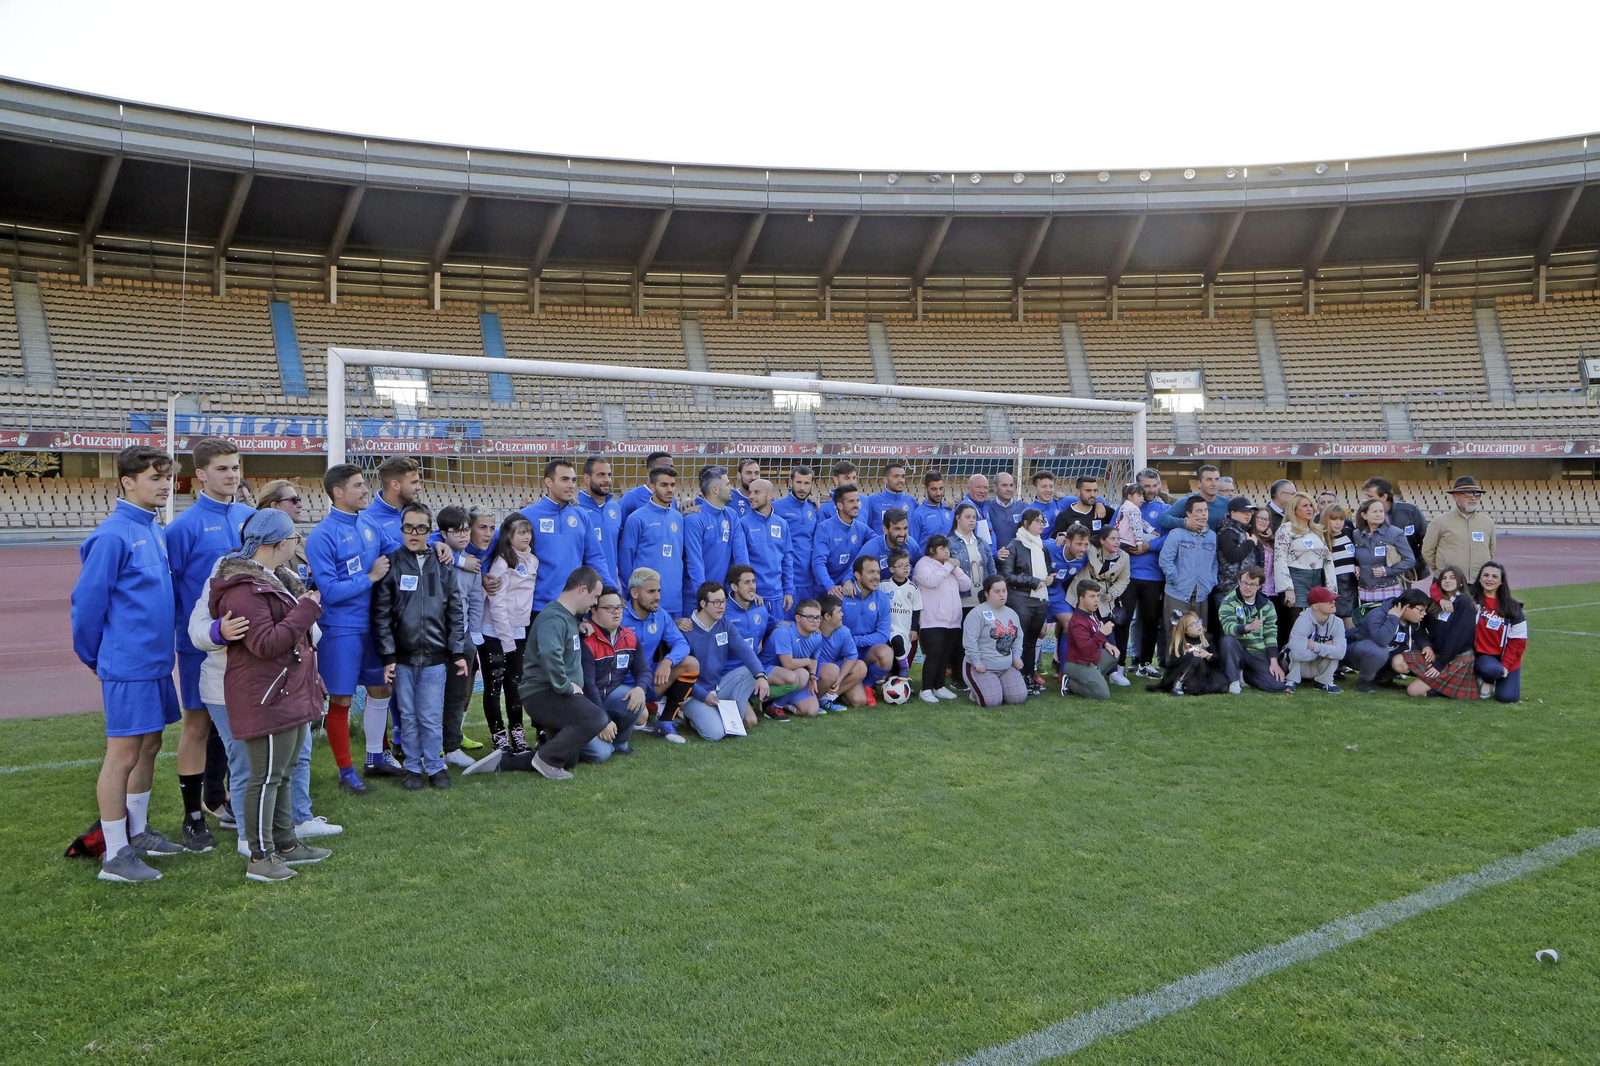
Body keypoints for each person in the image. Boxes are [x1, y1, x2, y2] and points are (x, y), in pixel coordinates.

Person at [72, 446, 187, 882]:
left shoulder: (153, 528)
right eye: (155, 477)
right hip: (128, 663)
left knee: (150, 746)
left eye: (167, 477)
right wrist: (95, 656)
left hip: (156, 661)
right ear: (128, 481)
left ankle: (137, 833)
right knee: (122, 756)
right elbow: (86, 605)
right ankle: (114, 854)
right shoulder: (113, 535)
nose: (165, 485)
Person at [207, 508, 331, 882]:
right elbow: (264, 644)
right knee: (265, 777)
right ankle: (260, 857)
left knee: (283, 771)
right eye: (294, 538)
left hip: (285, 690)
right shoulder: (244, 589)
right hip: (267, 694)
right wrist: (306, 611)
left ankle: (286, 843)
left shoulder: (273, 579)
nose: (298, 544)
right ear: (278, 544)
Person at [164, 437, 255, 850]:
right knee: (198, 725)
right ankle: (193, 816)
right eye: (222, 468)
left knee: (245, 723)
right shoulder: (182, 528)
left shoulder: (251, 517)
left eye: (235, 467)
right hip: (200, 647)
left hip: (248, 643)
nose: (232, 475)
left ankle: (237, 803)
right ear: (200, 474)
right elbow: (172, 592)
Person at [302, 463, 388, 794]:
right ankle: (346, 771)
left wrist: (435, 544)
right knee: (341, 699)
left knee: (381, 689)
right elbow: (331, 591)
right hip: (340, 629)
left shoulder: (369, 523)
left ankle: (376, 757)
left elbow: (396, 551)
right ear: (338, 492)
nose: (366, 490)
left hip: (374, 626)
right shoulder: (322, 536)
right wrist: (370, 577)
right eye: (358, 485)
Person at [372, 502, 469, 790]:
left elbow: (455, 611)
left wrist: (457, 650)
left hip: (436, 657)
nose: (414, 533)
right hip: (403, 657)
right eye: (408, 527)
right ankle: (413, 767)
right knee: (408, 716)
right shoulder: (392, 563)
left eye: (420, 528)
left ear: (430, 531)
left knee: (430, 716)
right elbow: (381, 614)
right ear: (401, 529)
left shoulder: (442, 564)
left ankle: (435, 766)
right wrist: (388, 654)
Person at [520, 567, 612, 778]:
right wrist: (566, 686)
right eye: (595, 596)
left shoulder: (568, 618)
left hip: (554, 693)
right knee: (597, 718)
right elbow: (550, 654)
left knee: (569, 759)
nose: (595, 603)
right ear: (582, 589)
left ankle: (508, 761)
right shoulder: (553, 618)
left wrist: (578, 625)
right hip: (543, 694)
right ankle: (546, 760)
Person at [432, 505, 489, 767]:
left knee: (457, 695)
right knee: (432, 695)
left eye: (466, 530)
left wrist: (473, 636)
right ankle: (430, 747)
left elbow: (476, 600)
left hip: (463, 638)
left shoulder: (472, 564)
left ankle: (452, 747)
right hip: (435, 638)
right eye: (457, 531)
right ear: (443, 534)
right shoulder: (434, 557)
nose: (464, 535)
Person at [522, 458, 615, 615]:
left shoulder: (581, 515)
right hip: (539, 608)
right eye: (564, 479)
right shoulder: (528, 515)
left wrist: (611, 589)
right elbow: (499, 542)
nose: (571, 485)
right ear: (548, 482)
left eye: (573, 480)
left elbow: (595, 557)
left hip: (575, 608)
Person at [681, 581, 771, 738]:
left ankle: (732, 719)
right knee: (715, 734)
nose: (722, 606)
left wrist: (761, 676)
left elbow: (745, 651)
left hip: (718, 686)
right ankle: (692, 718)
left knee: (750, 671)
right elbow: (680, 676)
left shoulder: (724, 624)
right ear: (703, 604)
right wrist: (703, 695)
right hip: (693, 694)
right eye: (716, 602)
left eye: (723, 601)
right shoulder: (686, 629)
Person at [620, 567, 697, 743]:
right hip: (620, 685)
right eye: (651, 592)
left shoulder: (660, 615)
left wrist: (668, 661)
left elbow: (681, 644)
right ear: (634, 593)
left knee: (690, 663)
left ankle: (666, 721)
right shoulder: (619, 615)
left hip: (649, 681)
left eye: (658, 591)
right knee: (641, 716)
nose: (658, 597)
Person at [482, 512, 538, 753]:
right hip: (495, 633)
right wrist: (506, 639)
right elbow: (496, 605)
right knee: (494, 686)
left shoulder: (533, 560)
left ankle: (518, 731)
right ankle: (498, 735)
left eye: (528, 532)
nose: (526, 537)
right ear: (508, 536)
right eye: (521, 533)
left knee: (515, 685)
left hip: (518, 632)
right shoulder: (502, 563)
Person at [579, 586, 650, 761]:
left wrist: (640, 688)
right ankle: (576, 741)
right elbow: (588, 686)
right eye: (609, 608)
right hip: (584, 705)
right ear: (593, 610)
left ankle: (620, 743)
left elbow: (643, 670)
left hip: (609, 696)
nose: (616, 612)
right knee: (601, 754)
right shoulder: (586, 639)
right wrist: (602, 720)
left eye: (619, 607)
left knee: (636, 698)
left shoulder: (628, 636)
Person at [1065, 525, 1131, 686]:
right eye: (1112, 538)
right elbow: (1075, 544)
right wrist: (1061, 537)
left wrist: (1114, 592)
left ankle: (1113, 672)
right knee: (1077, 630)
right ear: (1102, 541)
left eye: (1118, 538)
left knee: (1108, 632)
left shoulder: (1124, 557)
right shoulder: (1090, 549)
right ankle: (1067, 667)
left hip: (1105, 599)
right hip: (1082, 594)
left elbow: (1124, 578)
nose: (1117, 542)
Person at [618, 465, 686, 621]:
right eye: (664, 485)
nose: (670, 489)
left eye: (672, 485)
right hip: (644, 602)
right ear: (652, 487)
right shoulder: (637, 518)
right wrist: (631, 595)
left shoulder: (678, 518)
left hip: (674, 601)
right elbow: (626, 560)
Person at [1157, 496, 1218, 666]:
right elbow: (1165, 560)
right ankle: (1173, 669)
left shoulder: (1212, 536)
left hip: (1201, 595)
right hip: (1177, 594)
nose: (1203, 514)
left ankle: (1197, 669)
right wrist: (1175, 580)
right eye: (1198, 511)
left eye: (1205, 511)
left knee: (1199, 634)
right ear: (1188, 514)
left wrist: (1211, 581)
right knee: (1175, 633)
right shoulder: (1177, 534)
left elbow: (1214, 563)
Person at [682, 465, 749, 621]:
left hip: (720, 598)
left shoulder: (731, 515)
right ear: (715, 489)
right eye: (728, 484)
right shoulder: (694, 519)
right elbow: (694, 562)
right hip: (696, 598)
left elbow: (741, 554)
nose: (731, 488)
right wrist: (704, 597)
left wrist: (745, 587)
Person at [1001, 508, 1055, 695]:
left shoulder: (1042, 546)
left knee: (1032, 641)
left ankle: (1029, 676)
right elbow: (1007, 575)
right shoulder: (1014, 545)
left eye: (1043, 521)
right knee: (1020, 641)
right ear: (1025, 523)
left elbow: (1047, 569)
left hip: (1040, 599)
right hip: (1020, 599)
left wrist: (1049, 579)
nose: (1041, 524)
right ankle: (1016, 678)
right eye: (1037, 521)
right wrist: (1032, 581)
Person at [913, 534, 972, 702]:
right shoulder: (923, 564)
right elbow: (931, 581)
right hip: (932, 620)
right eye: (943, 548)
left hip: (953, 621)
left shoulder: (949, 566)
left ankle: (939, 686)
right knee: (934, 655)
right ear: (932, 550)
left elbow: (966, 585)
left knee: (945, 656)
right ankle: (926, 689)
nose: (947, 552)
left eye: (948, 548)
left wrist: (955, 568)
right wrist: (948, 566)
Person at [1123, 469, 1170, 678]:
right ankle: (1121, 663)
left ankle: (1146, 662)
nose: (1150, 490)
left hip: (1154, 575)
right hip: (1127, 574)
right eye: (1146, 486)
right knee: (1125, 619)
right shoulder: (1126, 507)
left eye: (1154, 485)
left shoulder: (1165, 510)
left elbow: (1169, 537)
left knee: (1151, 621)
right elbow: (1115, 532)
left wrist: (1148, 546)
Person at [947, 501, 996, 689]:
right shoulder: (949, 543)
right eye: (967, 517)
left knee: (981, 639)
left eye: (974, 517)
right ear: (958, 518)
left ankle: (979, 674)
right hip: (960, 599)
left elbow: (991, 571)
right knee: (960, 641)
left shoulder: (982, 543)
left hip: (980, 599)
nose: (972, 520)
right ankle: (958, 677)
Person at [1346, 588, 1433, 693]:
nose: (1424, 614)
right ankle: (1365, 681)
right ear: (1407, 607)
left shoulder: (1413, 621)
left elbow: (1421, 634)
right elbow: (1382, 640)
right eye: (1421, 610)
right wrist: (1393, 617)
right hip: (1355, 652)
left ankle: (1383, 679)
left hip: (1381, 653)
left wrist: (1426, 645)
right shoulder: (1378, 614)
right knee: (1379, 651)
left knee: (1405, 650)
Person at [1274, 492, 1335, 641]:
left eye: (1311, 506)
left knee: (1316, 621)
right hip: (1296, 579)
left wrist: (1331, 587)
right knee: (1295, 622)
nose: (1309, 509)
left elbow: (1327, 559)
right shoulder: (1285, 529)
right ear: (1294, 509)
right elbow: (1280, 559)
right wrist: (1288, 588)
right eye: (1305, 506)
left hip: (1317, 579)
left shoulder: (1317, 530)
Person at [1217, 566, 1288, 694]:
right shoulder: (1228, 601)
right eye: (1245, 583)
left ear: (1260, 586)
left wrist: (1274, 662)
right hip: (1236, 648)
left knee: (1277, 686)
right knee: (1227, 641)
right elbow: (1228, 627)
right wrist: (1247, 627)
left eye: (1253, 584)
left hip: (1257, 650)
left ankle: (1247, 676)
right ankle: (1233, 681)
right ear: (1239, 581)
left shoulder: (1268, 605)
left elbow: (1271, 634)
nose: (1248, 587)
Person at [961, 575, 1027, 706]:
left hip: (1006, 666)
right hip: (983, 667)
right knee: (991, 702)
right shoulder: (976, 614)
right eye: (997, 592)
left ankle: (998, 686)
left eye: (1004, 591)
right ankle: (976, 691)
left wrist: (1016, 657)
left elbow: (1018, 638)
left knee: (1018, 698)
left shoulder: (1012, 613)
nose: (1002, 595)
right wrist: (977, 662)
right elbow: (970, 641)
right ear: (986, 593)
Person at [1349, 498, 1413, 625]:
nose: (1379, 514)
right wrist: (1356, 565)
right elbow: (1355, 555)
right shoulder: (1356, 534)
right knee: (1368, 626)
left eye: (1381, 511)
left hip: (1389, 590)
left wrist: (1387, 571)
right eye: (1375, 511)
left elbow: (1409, 560)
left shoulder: (1395, 533)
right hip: (1365, 591)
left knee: (1388, 626)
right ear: (1364, 515)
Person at [841, 555, 895, 703]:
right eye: (871, 572)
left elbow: (882, 636)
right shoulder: (841, 596)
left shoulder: (882, 598)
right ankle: (843, 687)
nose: (876, 577)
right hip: (843, 654)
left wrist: (855, 640)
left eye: (878, 572)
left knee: (886, 653)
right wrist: (847, 643)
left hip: (866, 652)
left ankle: (867, 684)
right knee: (857, 701)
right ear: (857, 575)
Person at [737, 478, 794, 617]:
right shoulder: (743, 524)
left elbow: (787, 560)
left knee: (779, 630)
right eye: (750, 493)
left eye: (757, 492)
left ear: (770, 495)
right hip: (754, 597)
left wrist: (788, 591)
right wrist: (748, 592)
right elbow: (740, 563)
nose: (751, 496)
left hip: (778, 596)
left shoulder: (782, 524)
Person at [1470, 562, 1526, 703]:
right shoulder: (1470, 601)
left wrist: (1506, 664)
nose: (1489, 579)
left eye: (1495, 576)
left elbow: (1519, 640)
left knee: (1508, 698)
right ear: (1480, 578)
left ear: (1501, 581)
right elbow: (1442, 589)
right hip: (1482, 655)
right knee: (1493, 670)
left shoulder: (1513, 607)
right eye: (1486, 575)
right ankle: (1483, 677)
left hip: (1506, 658)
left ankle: (1493, 676)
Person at [1422, 476, 1497, 578]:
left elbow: (1491, 551)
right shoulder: (1439, 522)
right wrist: (1441, 571)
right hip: (1449, 581)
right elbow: (1427, 550)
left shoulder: (1488, 523)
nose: (1473, 498)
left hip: (1478, 581)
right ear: (1455, 496)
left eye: (1477, 494)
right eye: (1468, 493)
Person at [1043, 523, 1091, 678]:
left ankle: (1064, 671)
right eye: (1079, 544)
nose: (1082, 549)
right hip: (1039, 593)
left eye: (1085, 544)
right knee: (1039, 630)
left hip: (1057, 594)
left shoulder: (1084, 558)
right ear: (1067, 542)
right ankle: (1033, 668)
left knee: (1070, 624)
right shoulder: (1049, 547)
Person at [1060, 580, 1120, 699]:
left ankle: (1093, 677)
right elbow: (1085, 649)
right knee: (1103, 695)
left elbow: (1094, 634)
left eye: (1097, 596)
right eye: (1092, 596)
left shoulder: (1091, 614)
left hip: (1090, 660)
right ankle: (1069, 684)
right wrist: (1102, 634)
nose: (1096, 600)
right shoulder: (1078, 622)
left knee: (1114, 654)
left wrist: (1106, 644)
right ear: (1081, 599)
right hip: (1078, 664)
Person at [1361, 476, 1429, 581]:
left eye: (1370, 496)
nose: (1366, 500)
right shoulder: (1364, 516)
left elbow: (1427, 541)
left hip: (1407, 573)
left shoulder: (1410, 512)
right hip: (1378, 575)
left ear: (1384, 497)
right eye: (1366, 496)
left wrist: (1415, 566)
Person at [765, 599, 823, 717]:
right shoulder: (784, 631)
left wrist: (812, 675)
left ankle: (782, 702)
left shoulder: (817, 636)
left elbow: (814, 659)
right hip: (766, 670)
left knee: (811, 711)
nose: (815, 621)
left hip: (793, 675)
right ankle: (774, 706)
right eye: (810, 617)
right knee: (801, 675)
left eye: (818, 617)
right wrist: (807, 662)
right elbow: (788, 664)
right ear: (798, 618)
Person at [1214, 496, 1263, 633]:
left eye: (1250, 512)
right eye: (1244, 512)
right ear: (1233, 513)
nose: (1248, 515)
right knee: (1229, 630)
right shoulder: (1227, 531)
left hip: (1244, 589)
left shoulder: (1243, 530)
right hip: (1228, 589)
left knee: (1244, 630)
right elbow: (1233, 557)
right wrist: (1250, 543)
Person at [774, 465, 821, 606]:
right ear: (790, 483)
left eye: (806, 483)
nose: (802, 488)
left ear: (812, 485)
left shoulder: (813, 507)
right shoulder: (776, 507)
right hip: (785, 581)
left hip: (809, 580)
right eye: (798, 482)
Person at [1285, 586, 1347, 692]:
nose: (1333, 602)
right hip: (1298, 665)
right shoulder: (1303, 620)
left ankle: (1324, 682)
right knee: (1293, 649)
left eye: (1333, 600)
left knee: (1334, 654)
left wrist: (1314, 646)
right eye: (1328, 601)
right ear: (1315, 606)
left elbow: (1340, 653)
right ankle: (1291, 680)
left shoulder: (1338, 622)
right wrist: (1325, 648)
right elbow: (1298, 654)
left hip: (1316, 664)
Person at [811, 485, 869, 598]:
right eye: (851, 501)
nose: (856, 505)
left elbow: (878, 542)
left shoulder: (861, 528)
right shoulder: (824, 528)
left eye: (857, 501)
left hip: (849, 585)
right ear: (840, 505)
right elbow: (818, 562)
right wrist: (830, 586)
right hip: (826, 590)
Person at [1152, 612, 1229, 696]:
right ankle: (1179, 683)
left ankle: (1188, 687)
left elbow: (1217, 658)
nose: (1198, 625)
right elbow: (1172, 662)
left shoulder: (1207, 638)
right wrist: (1191, 655)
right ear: (1185, 630)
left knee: (1222, 687)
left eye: (1199, 621)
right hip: (1183, 672)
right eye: (1193, 624)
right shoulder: (1180, 642)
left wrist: (1208, 655)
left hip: (1202, 673)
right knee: (1196, 660)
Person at [814, 594, 867, 710]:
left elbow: (851, 656)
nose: (842, 614)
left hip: (834, 670)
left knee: (859, 699)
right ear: (827, 616)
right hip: (819, 672)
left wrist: (839, 680)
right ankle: (813, 701)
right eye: (839, 612)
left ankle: (827, 698)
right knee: (831, 671)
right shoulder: (811, 631)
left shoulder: (844, 631)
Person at [578, 457, 623, 581]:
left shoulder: (615, 508)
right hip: (585, 585)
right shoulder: (575, 509)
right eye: (601, 475)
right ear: (587, 478)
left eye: (609, 475)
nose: (607, 480)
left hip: (610, 583)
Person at [1155, 464, 1227, 532]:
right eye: (1209, 479)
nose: (1214, 484)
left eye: (1217, 479)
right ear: (1199, 483)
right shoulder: (1188, 501)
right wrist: (1185, 523)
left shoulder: (1227, 503)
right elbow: (1163, 519)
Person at [884, 548, 921, 678]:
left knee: (901, 649)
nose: (906, 568)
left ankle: (897, 676)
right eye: (901, 566)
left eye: (907, 565)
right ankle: (902, 668)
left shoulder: (913, 587)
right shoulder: (884, 586)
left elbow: (916, 609)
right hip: (888, 626)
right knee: (894, 643)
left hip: (904, 626)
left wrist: (914, 629)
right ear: (892, 569)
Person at [619, 451, 677, 527]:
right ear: (650, 470)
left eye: (671, 466)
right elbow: (620, 527)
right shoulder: (631, 498)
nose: (669, 470)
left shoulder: (672, 500)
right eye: (664, 467)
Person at [858, 506, 922, 574]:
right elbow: (854, 572)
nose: (902, 534)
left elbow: (921, 568)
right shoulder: (871, 549)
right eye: (897, 529)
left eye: (905, 528)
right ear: (885, 529)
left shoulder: (911, 545)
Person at [1323, 503, 1357, 622]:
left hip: (1351, 583)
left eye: (1341, 519)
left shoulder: (1349, 534)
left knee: (1350, 618)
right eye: (1334, 519)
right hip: (1334, 583)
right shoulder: (1323, 539)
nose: (1338, 523)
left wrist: (1357, 565)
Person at [863, 461, 916, 536]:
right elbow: (865, 529)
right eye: (896, 476)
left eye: (903, 476)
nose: (901, 480)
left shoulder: (911, 501)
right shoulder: (872, 501)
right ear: (885, 480)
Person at [909, 470, 955, 547]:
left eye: (941, 488)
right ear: (925, 489)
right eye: (934, 489)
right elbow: (913, 544)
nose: (938, 493)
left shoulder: (949, 510)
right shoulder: (918, 514)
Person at [987, 471, 1027, 549]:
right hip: (995, 555)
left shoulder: (1024, 507)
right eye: (1004, 485)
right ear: (995, 487)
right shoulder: (987, 507)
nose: (1009, 489)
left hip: (1018, 556)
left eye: (1011, 485)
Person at [960, 474, 994, 544]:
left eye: (985, 488)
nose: (982, 491)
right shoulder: (966, 508)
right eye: (978, 487)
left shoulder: (986, 506)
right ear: (969, 488)